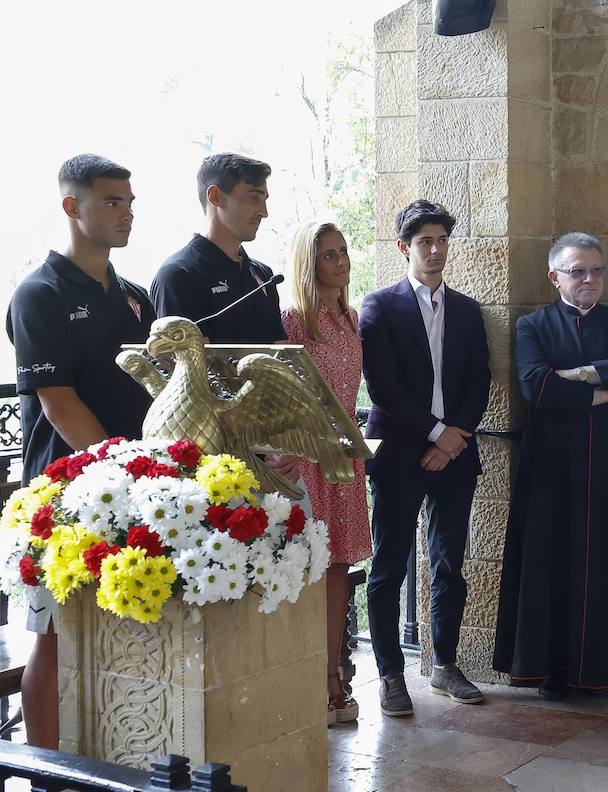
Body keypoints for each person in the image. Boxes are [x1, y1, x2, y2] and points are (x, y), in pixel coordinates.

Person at [5, 153, 155, 792]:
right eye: (111, 201)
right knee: (52, 637)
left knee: (124, 631)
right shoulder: (38, 293)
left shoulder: (136, 296)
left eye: (128, 201)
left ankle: (115, 769)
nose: (125, 212)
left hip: (134, 492)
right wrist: (120, 468)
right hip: (63, 496)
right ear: (72, 206)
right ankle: (46, 787)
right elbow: (58, 403)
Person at [494, 233, 608, 700]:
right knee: (554, 562)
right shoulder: (534, 326)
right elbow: (536, 388)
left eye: (597, 270)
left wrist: (579, 374)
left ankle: (604, 669)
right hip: (554, 468)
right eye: (578, 271)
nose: (590, 279)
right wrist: (604, 386)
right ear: (555, 277)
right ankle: (553, 671)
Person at [359, 200, 491, 716]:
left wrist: (453, 439)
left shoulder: (466, 309)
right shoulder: (378, 306)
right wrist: (437, 433)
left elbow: (479, 380)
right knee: (388, 567)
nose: (435, 251)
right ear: (403, 248)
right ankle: (391, 674)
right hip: (398, 455)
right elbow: (383, 386)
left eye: (441, 240)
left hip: (455, 455)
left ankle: (445, 665)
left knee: (448, 564)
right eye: (424, 242)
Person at [280, 220, 373, 726]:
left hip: (344, 457)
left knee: (338, 568)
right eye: (328, 255)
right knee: (308, 569)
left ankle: (332, 677)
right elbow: (282, 394)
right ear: (308, 263)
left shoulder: (351, 317)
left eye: (343, 251)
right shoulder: (295, 319)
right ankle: (304, 682)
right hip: (306, 457)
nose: (340, 262)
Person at [151, 153, 286, 344]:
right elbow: (191, 368)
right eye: (254, 197)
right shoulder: (178, 275)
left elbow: (280, 354)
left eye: (265, 199)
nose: (264, 212)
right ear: (215, 196)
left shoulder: (264, 275)